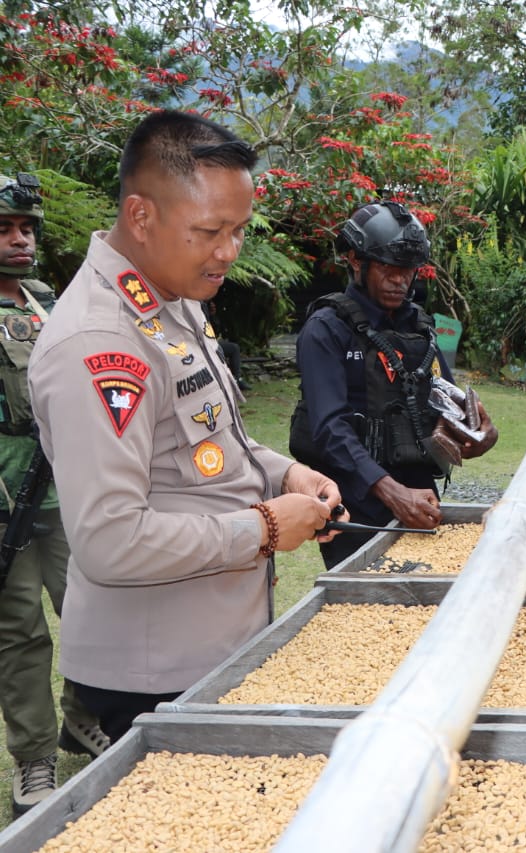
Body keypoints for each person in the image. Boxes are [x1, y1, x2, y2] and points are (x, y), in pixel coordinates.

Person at [27, 110, 344, 744]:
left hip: (213, 642)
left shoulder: (167, 295)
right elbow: (110, 541)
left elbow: (204, 435)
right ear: (142, 217)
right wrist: (265, 527)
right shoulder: (100, 341)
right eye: (209, 231)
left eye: (239, 231)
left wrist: (287, 471)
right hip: (156, 669)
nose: (228, 251)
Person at [292, 200, 496, 569]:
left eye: (408, 270)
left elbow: (442, 402)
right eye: (388, 267)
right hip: (356, 507)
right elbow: (329, 430)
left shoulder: (418, 326)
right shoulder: (326, 329)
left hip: (420, 498)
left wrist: (474, 434)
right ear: (356, 260)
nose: (400, 280)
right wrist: (393, 493)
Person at [0, 174, 108, 816]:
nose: (20, 240)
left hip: (64, 492)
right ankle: (36, 758)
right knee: (21, 635)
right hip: (7, 504)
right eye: (6, 229)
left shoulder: (45, 302)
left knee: (94, 613)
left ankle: (84, 716)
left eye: (27, 228)